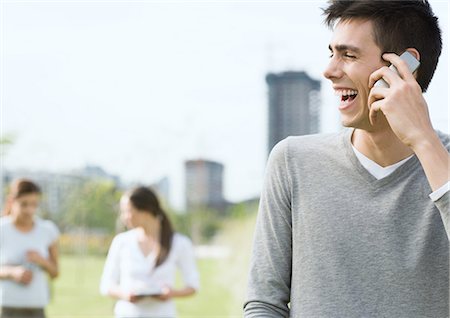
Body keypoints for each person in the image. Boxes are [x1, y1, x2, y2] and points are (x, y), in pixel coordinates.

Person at [244, 0, 449, 317]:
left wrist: (424, 141)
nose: (329, 71)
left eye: (348, 55)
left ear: (403, 66)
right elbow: (265, 303)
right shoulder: (292, 162)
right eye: (332, 53)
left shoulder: (442, 162)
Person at [100, 186, 199, 318]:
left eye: (128, 211)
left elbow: (193, 286)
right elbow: (106, 284)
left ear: (145, 210)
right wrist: (124, 294)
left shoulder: (179, 243)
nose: (124, 218)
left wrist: (171, 293)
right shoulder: (121, 242)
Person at [0, 179, 60, 318]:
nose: (29, 210)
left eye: (34, 205)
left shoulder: (47, 230)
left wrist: (42, 261)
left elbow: (55, 273)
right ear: (11, 202)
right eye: (24, 204)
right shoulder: (2, 229)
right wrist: (12, 272)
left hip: (37, 308)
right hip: (7, 308)